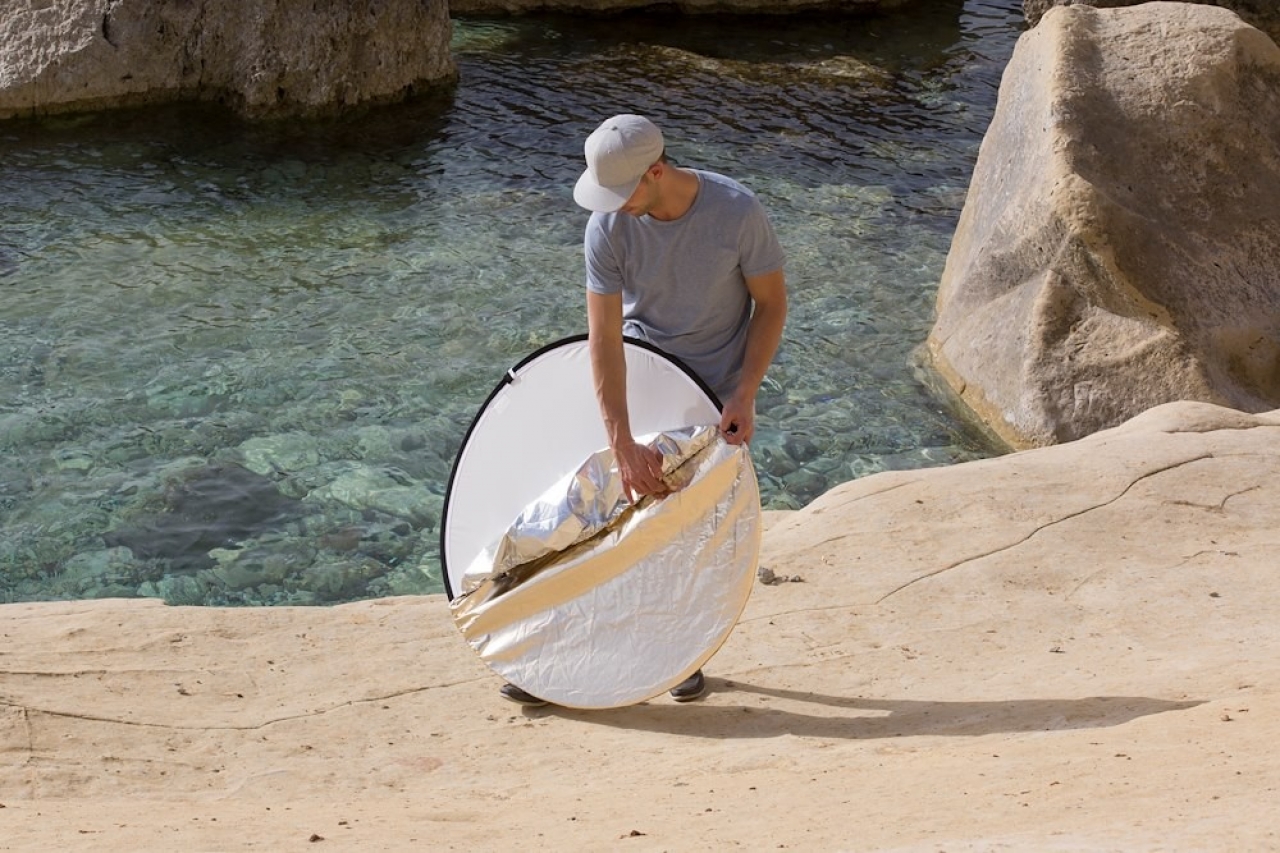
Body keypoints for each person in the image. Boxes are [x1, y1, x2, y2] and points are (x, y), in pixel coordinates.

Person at [500, 113, 788, 708]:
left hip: (710, 395)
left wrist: (745, 393)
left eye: (621, 192)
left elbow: (772, 306)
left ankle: (679, 659)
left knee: (688, 534)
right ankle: (549, 660)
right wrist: (622, 439)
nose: (610, 207)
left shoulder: (737, 214)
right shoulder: (606, 227)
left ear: (656, 171)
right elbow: (602, 337)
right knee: (590, 516)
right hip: (640, 376)